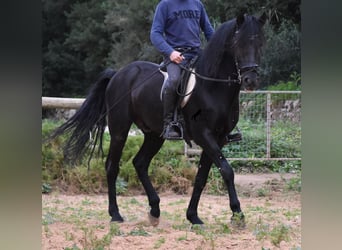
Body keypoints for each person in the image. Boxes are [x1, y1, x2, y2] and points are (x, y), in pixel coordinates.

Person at [150, 0, 242, 142]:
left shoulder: (197, 4)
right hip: (176, 56)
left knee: (218, 78)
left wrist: (219, 51)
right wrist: (170, 52)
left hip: (197, 54)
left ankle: (224, 125)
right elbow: (155, 34)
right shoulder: (165, 5)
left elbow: (208, 30)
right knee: (174, 81)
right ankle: (170, 123)